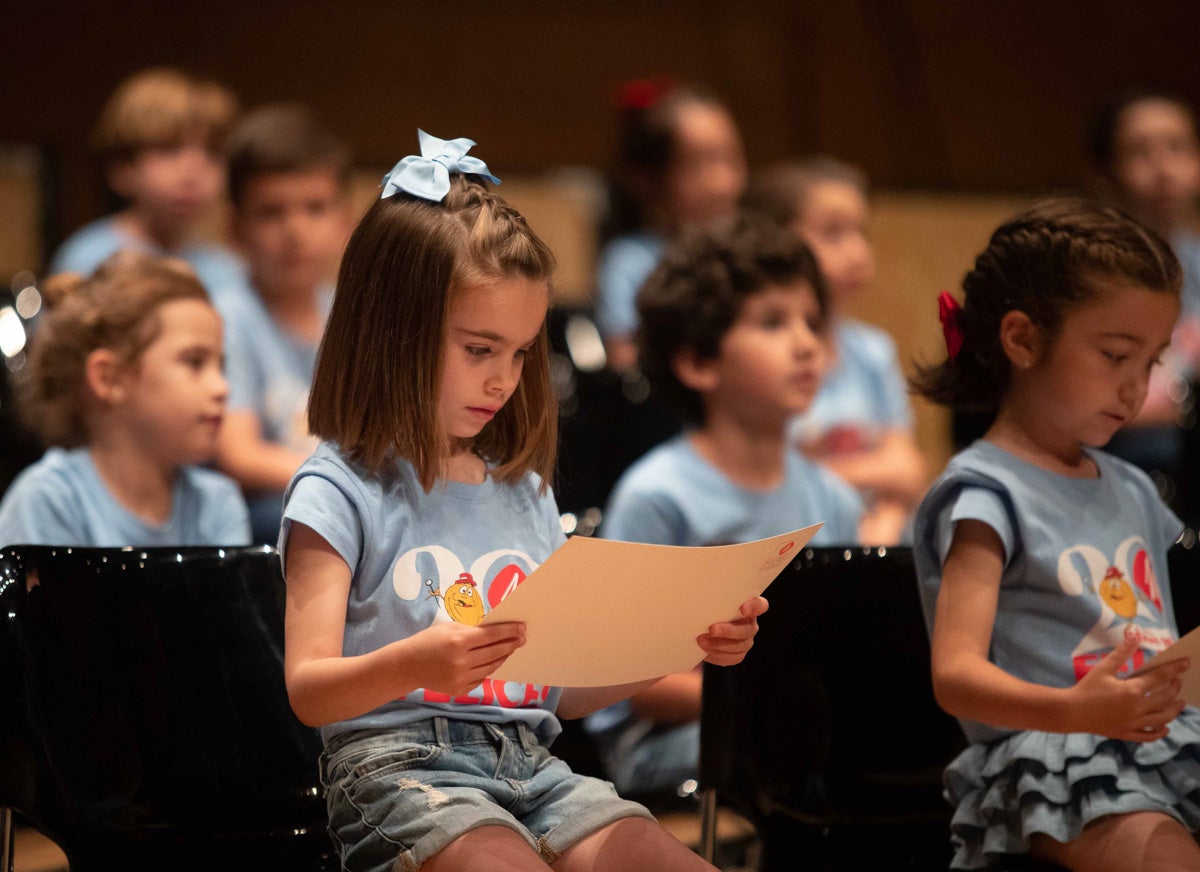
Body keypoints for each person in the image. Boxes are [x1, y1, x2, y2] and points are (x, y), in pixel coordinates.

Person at [279, 130, 768, 872]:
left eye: (518, 353)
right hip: (399, 775)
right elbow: (309, 691)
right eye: (479, 350)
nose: (503, 380)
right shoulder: (338, 488)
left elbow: (564, 691)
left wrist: (683, 642)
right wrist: (417, 663)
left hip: (535, 768)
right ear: (392, 336)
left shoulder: (522, 490)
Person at [910, 197, 1200, 871]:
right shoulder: (986, 493)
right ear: (1023, 339)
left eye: (1151, 363)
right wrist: (1077, 711)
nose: (1136, 389)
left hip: (1165, 742)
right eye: (1115, 355)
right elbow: (955, 677)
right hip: (1053, 758)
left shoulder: (1132, 486)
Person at [584, 214, 862, 798]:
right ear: (699, 363)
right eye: (772, 322)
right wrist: (772, 701)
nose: (807, 342)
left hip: (796, 729)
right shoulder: (658, 493)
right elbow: (635, 683)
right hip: (671, 741)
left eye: (811, 321)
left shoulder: (833, 495)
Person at [0, 251, 250, 547]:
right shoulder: (49, 501)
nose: (223, 388)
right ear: (110, 378)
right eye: (195, 362)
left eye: (221, 366)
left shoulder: (218, 504)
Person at [744, 157, 927, 544]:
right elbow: (765, 482)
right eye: (832, 233)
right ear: (776, 243)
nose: (858, 252)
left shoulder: (873, 351)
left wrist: (883, 528)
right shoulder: (756, 356)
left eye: (861, 232)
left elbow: (908, 471)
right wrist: (873, 472)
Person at [212, 103, 353, 543]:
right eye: (272, 212)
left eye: (314, 208)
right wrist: (352, 481)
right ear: (235, 228)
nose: (295, 230)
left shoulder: (349, 313)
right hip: (269, 520)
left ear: (344, 221)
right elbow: (239, 455)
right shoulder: (227, 318)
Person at [1088, 88, 1200, 498]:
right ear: (1105, 174)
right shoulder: (1087, 278)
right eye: (1140, 152)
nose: (1163, 167)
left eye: (1178, 147)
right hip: (1110, 478)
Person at [48, 67, 244, 299]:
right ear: (122, 167)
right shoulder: (91, 259)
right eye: (169, 149)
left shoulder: (225, 269)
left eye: (213, 153)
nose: (193, 173)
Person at [594, 79, 747, 374]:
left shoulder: (754, 253)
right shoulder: (629, 263)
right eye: (700, 164)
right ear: (646, 180)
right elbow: (627, 366)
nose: (723, 182)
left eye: (732, 158)